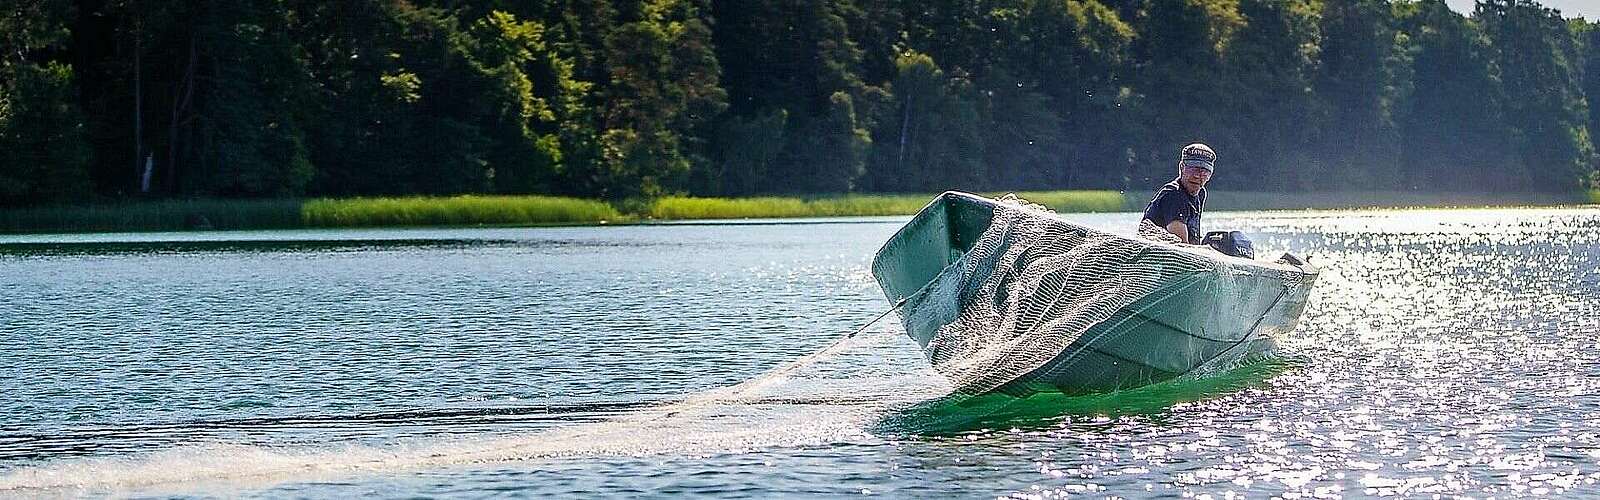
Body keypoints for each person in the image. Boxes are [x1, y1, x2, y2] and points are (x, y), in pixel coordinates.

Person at [1141, 143, 1214, 244]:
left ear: (1210, 175)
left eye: (1204, 172)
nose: (1197, 176)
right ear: (1181, 168)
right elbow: (1181, 245)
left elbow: (1193, 238)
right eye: (1193, 169)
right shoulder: (1174, 195)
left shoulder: (1200, 193)